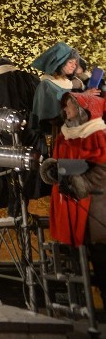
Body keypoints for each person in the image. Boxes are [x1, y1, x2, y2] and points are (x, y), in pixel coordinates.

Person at [40, 92, 106, 300]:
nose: (66, 110)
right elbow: (67, 166)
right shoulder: (64, 136)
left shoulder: (98, 135)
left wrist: (80, 182)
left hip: (95, 208)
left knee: (102, 261)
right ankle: (87, 309)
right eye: (66, 106)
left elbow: (101, 169)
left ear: (84, 111)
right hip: (71, 205)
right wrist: (54, 170)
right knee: (79, 262)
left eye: (70, 106)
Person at [0, 56, 43, 214]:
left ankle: (16, 207)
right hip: (29, 132)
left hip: (4, 137)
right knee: (30, 167)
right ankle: (22, 204)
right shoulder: (28, 78)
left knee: (10, 172)